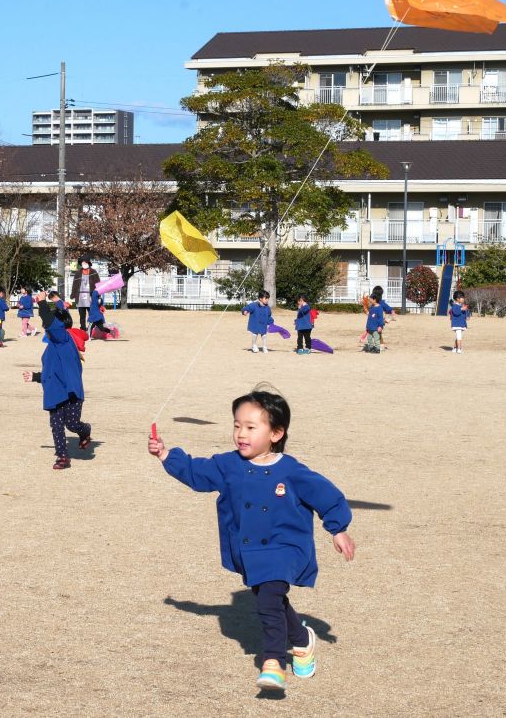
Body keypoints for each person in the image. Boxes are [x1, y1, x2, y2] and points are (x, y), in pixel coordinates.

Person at [148, 390, 355, 692]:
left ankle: (272, 661)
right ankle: (301, 640)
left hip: (286, 547)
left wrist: (338, 529)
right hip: (250, 549)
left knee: (269, 597)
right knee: (269, 598)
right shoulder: (228, 465)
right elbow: (196, 472)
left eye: (250, 427)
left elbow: (326, 495)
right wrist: (166, 455)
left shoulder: (292, 471)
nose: (241, 434)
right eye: (236, 426)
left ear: (276, 433)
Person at [22, 298, 92, 470]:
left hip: (71, 392)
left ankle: (85, 431)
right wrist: (36, 377)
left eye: (49, 325)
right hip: (55, 391)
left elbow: (51, 322)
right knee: (57, 425)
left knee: (72, 424)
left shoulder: (63, 338)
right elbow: (52, 370)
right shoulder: (53, 345)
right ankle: (62, 456)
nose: (46, 328)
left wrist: (43, 303)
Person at [70, 258, 101, 331]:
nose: (84, 264)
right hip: (80, 296)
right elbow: (75, 284)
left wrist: (98, 294)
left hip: (91, 296)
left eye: (85, 262)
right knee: (82, 314)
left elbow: (98, 283)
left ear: (88, 263)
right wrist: (73, 294)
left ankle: (91, 328)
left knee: (92, 314)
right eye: (82, 263)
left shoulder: (93, 272)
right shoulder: (78, 273)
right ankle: (83, 328)